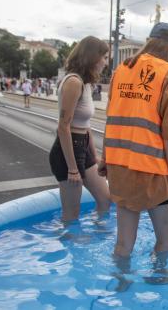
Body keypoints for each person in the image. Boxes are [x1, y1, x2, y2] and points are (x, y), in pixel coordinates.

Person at [101, 22, 168, 261]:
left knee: (123, 244)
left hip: (119, 166)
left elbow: (111, 118)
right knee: (167, 237)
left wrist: (104, 159)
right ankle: (159, 280)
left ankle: (120, 290)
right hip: (152, 170)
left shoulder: (121, 69)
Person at [49, 36, 111, 223]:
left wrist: (95, 156)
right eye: (104, 57)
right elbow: (63, 127)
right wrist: (73, 168)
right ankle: (71, 247)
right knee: (71, 216)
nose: (105, 62)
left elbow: (86, 127)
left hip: (82, 146)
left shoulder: (85, 83)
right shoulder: (73, 82)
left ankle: (99, 239)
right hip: (68, 152)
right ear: (92, 57)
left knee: (105, 200)